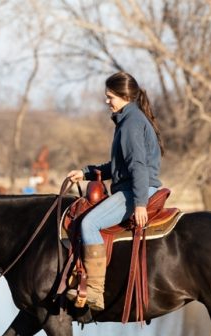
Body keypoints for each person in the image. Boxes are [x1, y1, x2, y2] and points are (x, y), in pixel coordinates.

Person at [66, 71, 164, 311]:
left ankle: (96, 292)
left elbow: (137, 166)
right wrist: (86, 173)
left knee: (89, 224)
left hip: (136, 190)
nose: (107, 101)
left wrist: (140, 203)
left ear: (124, 96)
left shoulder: (131, 123)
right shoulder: (129, 120)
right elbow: (118, 167)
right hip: (135, 186)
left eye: (110, 96)